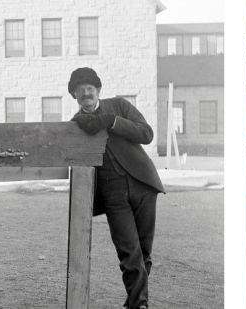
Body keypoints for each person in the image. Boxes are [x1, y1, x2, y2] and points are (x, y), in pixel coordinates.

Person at [68, 67, 164, 309]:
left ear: (98, 90)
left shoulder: (119, 107)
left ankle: (134, 298)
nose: (86, 94)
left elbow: (147, 133)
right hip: (112, 194)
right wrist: (75, 132)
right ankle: (139, 304)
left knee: (144, 251)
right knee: (128, 252)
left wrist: (111, 121)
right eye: (80, 91)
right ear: (74, 96)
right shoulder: (74, 125)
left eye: (90, 89)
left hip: (143, 184)